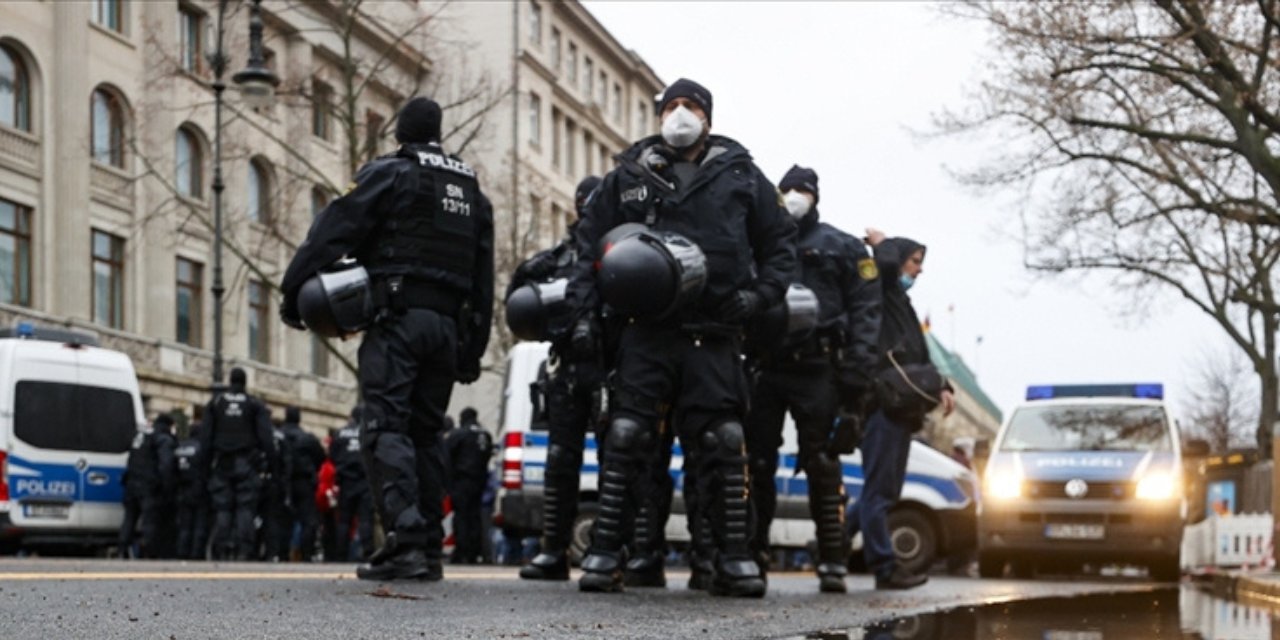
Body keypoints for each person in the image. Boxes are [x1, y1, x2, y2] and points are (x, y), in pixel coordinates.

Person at [567, 78, 796, 596]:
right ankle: (607, 553)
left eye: (690, 105)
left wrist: (760, 297)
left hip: (713, 331)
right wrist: (583, 315)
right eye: (670, 105)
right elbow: (589, 246)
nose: (679, 114)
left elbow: (780, 244)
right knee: (626, 436)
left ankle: (730, 556)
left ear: (707, 118)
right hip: (646, 331)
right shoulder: (627, 176)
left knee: (723, 441)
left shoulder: (741, 176)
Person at [280, 96, 494, 581]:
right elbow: (484, 279)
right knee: (425, 433)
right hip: (446, 327)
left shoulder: (391, 172)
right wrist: (472, 348)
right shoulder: (470, 189)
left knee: (384, 427)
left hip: (398, 320)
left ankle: (407, 542)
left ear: (400, 133)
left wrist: (294, 289)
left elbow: (332, 230)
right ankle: (429, 548)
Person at [744, 165, 881, 593]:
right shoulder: (761, 244)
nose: (797, 197)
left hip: (818, 367)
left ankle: (832, 560)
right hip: (768, 365)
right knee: (758, 464)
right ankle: (752, 555)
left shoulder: (841, 247)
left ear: (816, 197)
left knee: (822, 464)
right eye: (789, 190)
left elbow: (865, 312)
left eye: (804, 190)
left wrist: (856, 376)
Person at [515, 176, 608, 582]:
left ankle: (614, 550)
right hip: (568, 366)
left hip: (610, 364)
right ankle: (553, 550)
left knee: (620, 459)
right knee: (560, 459)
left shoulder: (621, 247)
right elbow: (525, 304)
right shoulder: (560, 254)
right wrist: (526, 274)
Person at [858, 229, 955, 590]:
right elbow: (883, 266)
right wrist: (884, 245)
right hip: (884, 406)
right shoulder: (882, 292)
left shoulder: (901, 304)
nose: (919, 270)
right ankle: (885, 567)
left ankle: (831, 545)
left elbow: (920, 357)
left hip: (899, 411)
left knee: (882, 490)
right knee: (879, 493)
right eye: (915, 261)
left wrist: (943, 385)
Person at [199, 366, 275, 561]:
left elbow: (205, 439)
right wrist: (271, 464)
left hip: (221, 462)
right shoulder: (254, 404)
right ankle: (243, 550)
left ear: (230, 381)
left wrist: (203, 467)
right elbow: (267, 438)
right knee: (245, 508)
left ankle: (222, 548)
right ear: (244, 382)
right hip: (247, 462)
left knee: (223, 508)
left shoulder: (216, 403)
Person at [119, 413, 177, 559]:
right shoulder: (162, 439)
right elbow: (166, 466)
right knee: (149, 521)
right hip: (149, 486)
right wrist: (166, 487)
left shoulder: (141, 436)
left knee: (130, 518)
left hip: (132, 484)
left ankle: (123, 549)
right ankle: (147, 552)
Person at [445, 407, 493, 565]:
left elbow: (447, 456)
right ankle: (474, 551)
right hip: (479, 481)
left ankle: (462, 551)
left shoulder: (459, 434)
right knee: (475, 516)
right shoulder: (485, 435)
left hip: (461, 480)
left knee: (461, 516)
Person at [280, 406, 326, 561]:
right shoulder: (307, 438)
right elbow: (321, 457)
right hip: (304, 482)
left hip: (282, 481)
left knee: (281, 519)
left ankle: (281, 553)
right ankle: (306, 554)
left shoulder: (278, 435)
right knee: (308, 521)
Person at [330, 407, 374, 562]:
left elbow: (332, 455)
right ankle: (368, 553)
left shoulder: (340, 434)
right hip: (365, 480)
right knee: (365, 519)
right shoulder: (369, 432)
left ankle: (341, 553)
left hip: (346, 481)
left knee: (344, 520)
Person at [175, 419, 210, 560]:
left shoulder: (179, 447)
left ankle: (181, 551)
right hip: (199, 489)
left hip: (181, 489)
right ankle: (196, 553)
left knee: (184, 525)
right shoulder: (201, 447)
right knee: (199, 524)